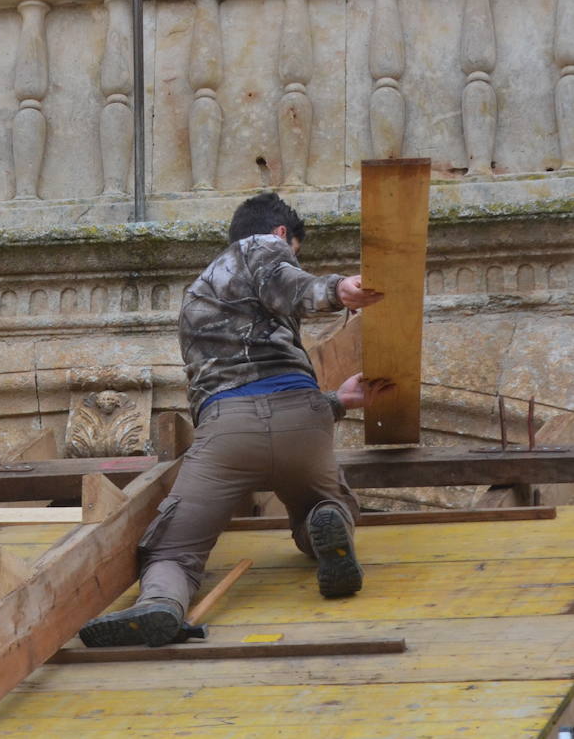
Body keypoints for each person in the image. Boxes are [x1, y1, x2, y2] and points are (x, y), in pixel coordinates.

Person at [79, 192, 391, 648]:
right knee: (321, 505)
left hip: (227, 430)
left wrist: (338, 398)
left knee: (174, 547)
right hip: (303, 423)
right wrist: (337, 289)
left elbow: (246, 384)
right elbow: (287, 281)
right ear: (281, 234)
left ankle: (161, 604)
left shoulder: (196, 294)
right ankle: (327, 519)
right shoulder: (263, 246)